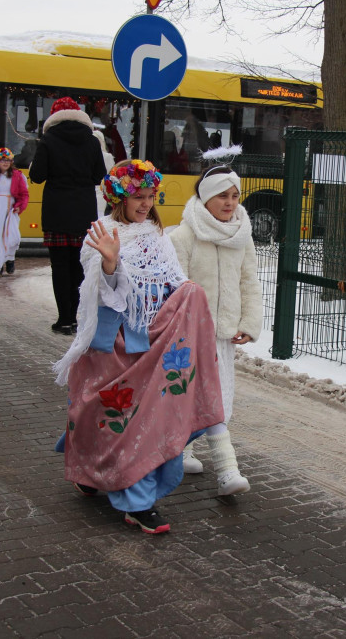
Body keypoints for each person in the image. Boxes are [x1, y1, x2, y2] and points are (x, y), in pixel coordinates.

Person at [52, 160, 225, 534]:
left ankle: (138, 503)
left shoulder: (157, 235)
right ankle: (91, 470)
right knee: (103, 415)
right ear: (119, 198)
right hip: (113, 342)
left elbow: (176, 284)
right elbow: (102, 295)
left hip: (155, 339)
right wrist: (111, 264)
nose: (146, 204)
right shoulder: (101, 233)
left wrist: (188, 300)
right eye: (138, 197)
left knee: (143, 422)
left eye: (150, 197)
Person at [168, 163, 262, 496]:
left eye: (235, 195)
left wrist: (250, 323)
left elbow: (249, 280)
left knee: (217, 398)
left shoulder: (242, 234)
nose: (230, 202)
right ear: (206, 197)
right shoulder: (184, 236)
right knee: (189, 395)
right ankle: (222, 469)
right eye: (222, 195)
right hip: (190, 335)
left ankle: (184, 451)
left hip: (225, 335)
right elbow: (175, 288)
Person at [29, 97, 106, 336]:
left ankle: (64, 318)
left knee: (60, 267)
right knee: (80, 266)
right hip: (83, 212)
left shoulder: (48, 140)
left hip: (57, 212)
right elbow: (98, 176)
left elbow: (38, 176)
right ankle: (79, 317)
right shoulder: (92, 141)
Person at [0, 148, 29, 277]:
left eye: (8, 160)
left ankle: (10, 259)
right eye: (2, 160)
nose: (5, 163)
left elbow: (24, 194)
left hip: (10, 210)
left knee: (11, 237)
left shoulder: (18, 175)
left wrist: (20, 206)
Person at [92, 129, 115, 219]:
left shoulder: (89, 155)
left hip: (95, 193)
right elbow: (111, 176)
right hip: (100, 194)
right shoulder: (107, 156)